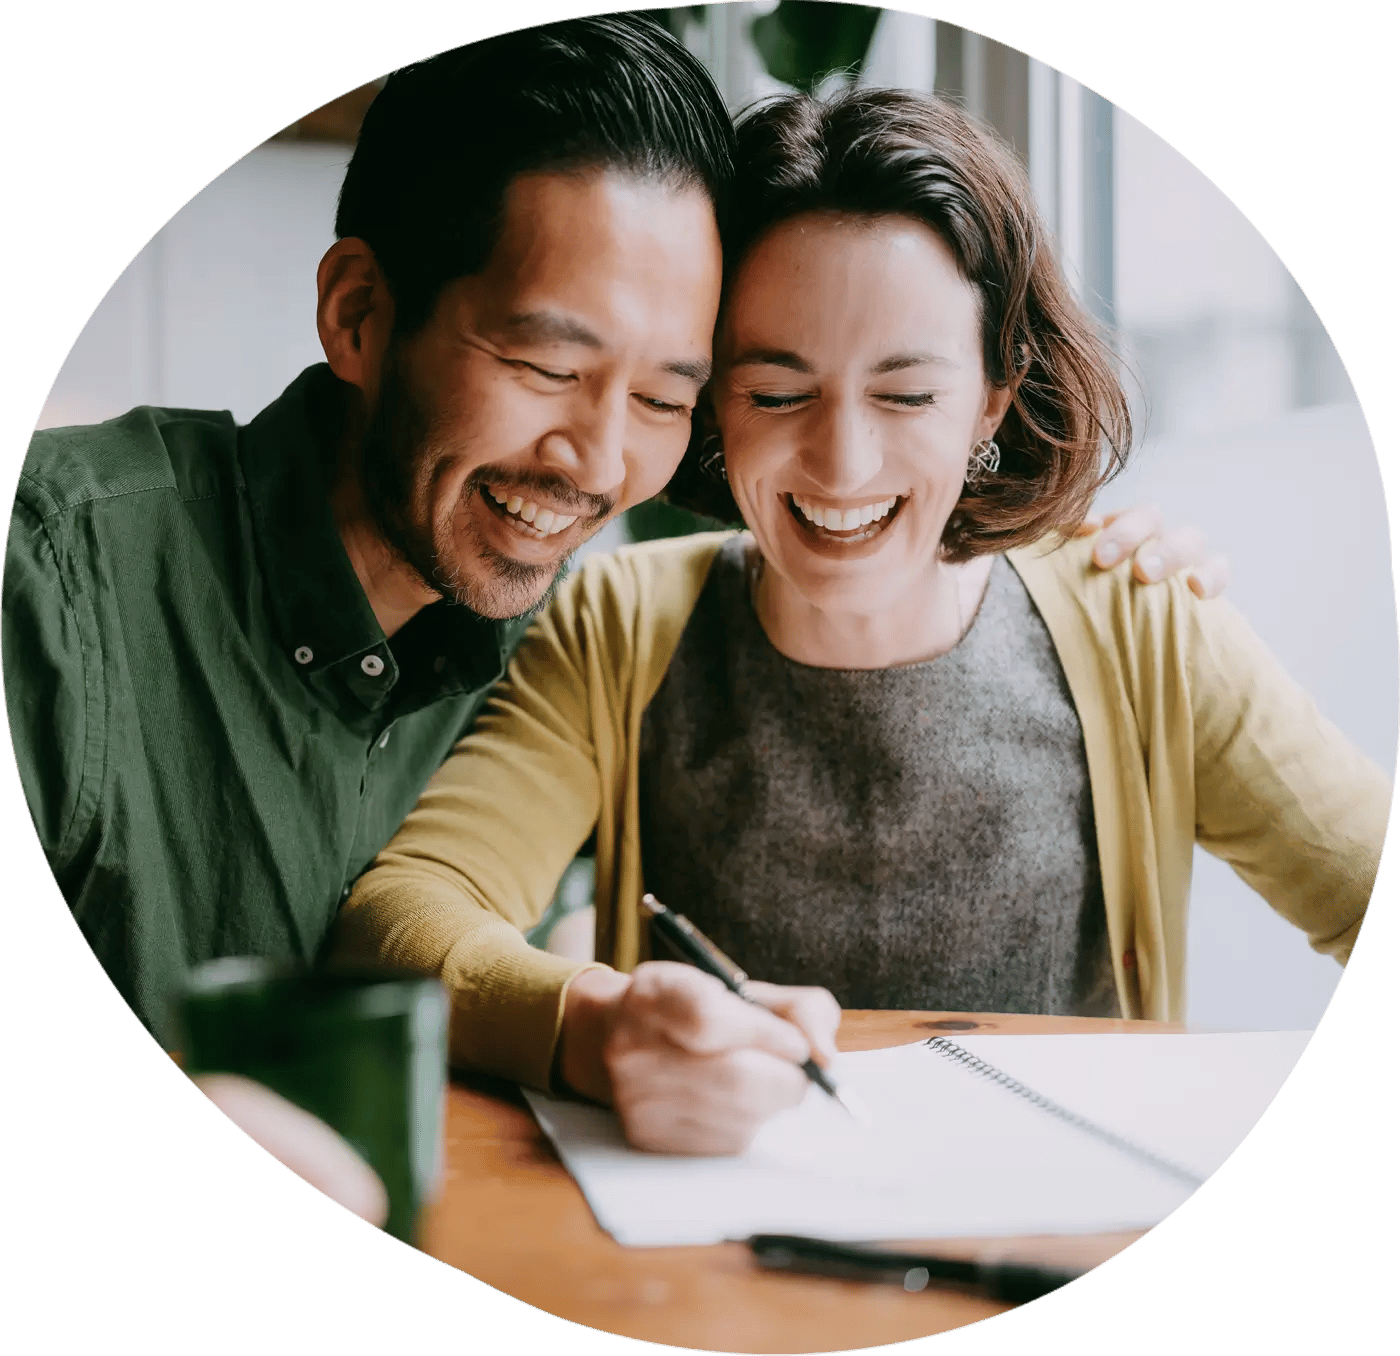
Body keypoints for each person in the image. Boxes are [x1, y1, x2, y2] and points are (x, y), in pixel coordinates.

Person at [2, 15, 1208, 1049]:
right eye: (543, 364)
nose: (595, 464)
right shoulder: (49, 581)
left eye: (662, 397)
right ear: (360, 313)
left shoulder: (546, 618)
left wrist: (1039, 551)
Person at [338, 87, 1390, 1156]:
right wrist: (594, 1025)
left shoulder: (1139, 622)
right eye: (777, 392)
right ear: (712, 406)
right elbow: (405, 916)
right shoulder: (617, 624)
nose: (841, 465)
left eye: (906, 395)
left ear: (990, 396)